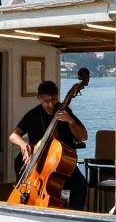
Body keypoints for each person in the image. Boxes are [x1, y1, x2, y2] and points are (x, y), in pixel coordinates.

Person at [8, 80, 89, 210]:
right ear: (39, 98)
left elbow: (83, 136)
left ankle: (75, 216)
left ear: (57, 96)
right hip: (38, 164)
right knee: (20, 163)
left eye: (53, 100)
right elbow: (13, 135)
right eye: (46, 101)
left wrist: (70, 120)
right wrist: (23, 144)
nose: (51, 104)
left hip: (62, 165)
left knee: (80, 185)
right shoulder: (33, 114)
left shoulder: (65, 111)